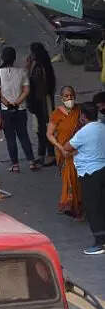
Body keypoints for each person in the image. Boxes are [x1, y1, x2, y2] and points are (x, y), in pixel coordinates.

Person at [60, 103, 105, 254]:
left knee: (93, 208)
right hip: (102, 169)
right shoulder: (102, 127)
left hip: (90, 173)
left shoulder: (84, 132)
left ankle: (100, 243)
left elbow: (66, 147)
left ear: (83, 117)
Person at [0, 47, 36, 172]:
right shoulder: (22, 72)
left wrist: (7, 103)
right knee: (23, 135)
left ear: (2, 58)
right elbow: (27, 90)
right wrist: (17, 102)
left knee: (10, 137)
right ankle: (32, 161)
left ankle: (15, 165)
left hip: (5, 111)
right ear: (14, 58)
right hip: (20, 109)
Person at [47, 86, 83, 219]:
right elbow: (49, 134)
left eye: (71, 95)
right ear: (61, 98)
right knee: (69, 177)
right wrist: (61, 148)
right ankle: (69, 204)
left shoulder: (80, 111)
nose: (69, 98)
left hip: (79, 151)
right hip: (63, 152)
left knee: (78, 179)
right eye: (66, 96)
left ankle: (77, 204)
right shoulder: (56, 114)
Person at [27, 42, 57, 166]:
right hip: (43, 101)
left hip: (42, 103)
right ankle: (43, 153)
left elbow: (34, 84)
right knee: (41, 129)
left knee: (44, 128)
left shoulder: (40, 68)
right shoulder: (44, 65)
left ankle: (50, 154)